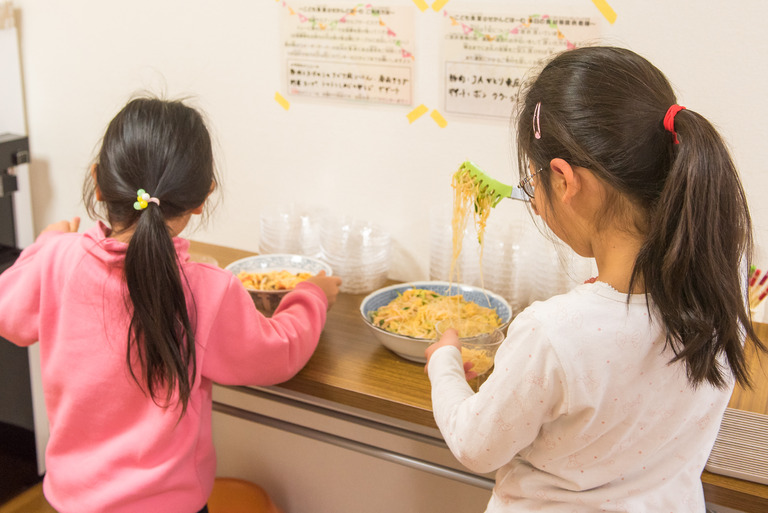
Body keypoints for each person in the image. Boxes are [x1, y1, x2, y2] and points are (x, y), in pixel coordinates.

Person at [425, 46, 765, 512]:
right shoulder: (721, 302)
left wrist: (443, 363)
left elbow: (475, 444)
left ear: (565, 181)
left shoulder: (553, 333)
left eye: (532, 184)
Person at [0, 97, 341, 513]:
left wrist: (45, 244)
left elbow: (9, 313)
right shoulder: (207, 290)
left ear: (98, 182)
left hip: (71, 502)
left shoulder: (58, 261)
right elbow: (278, 352)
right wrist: (312, 296)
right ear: (202, 197)